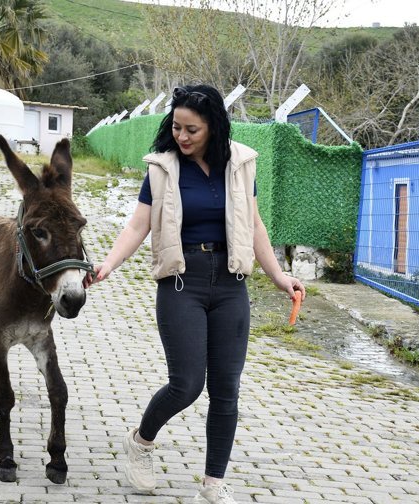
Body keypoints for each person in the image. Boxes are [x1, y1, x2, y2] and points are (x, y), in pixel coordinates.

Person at [87, 84, 305, 504]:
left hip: (231, 285)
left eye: (192, 130)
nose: (182, 137)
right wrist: (109, 264)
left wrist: (279, 276)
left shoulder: (241, 163)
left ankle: (213, 484)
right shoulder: (163, 167)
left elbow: (255, 226)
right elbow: (138, 226)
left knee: (226, 390)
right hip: (182, 283)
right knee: (186, 383)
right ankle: (142, 440)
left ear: (214, 128)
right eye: (177, 127)